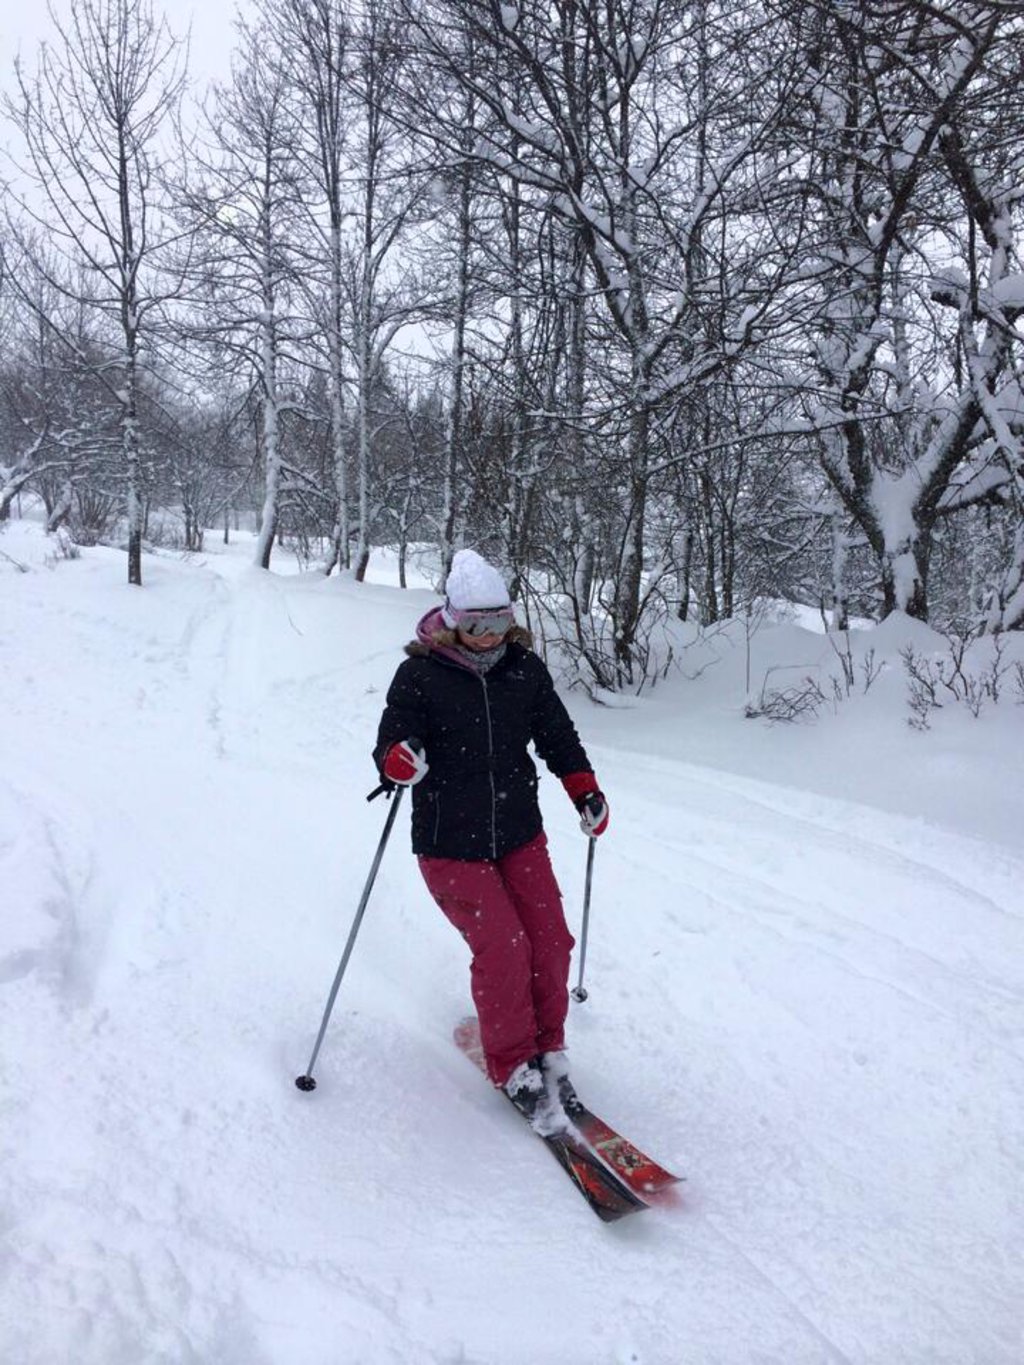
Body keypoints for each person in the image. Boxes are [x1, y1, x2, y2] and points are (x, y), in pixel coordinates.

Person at [373, 549, 609, 1130]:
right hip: (449, 842)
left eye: (499, 622)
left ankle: (548, 1049)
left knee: (550, 940)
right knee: (505, 948)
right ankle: (513, 1065)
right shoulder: (420, 675)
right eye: (476, 624)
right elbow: (393, 739)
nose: (488, 637)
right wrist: (398, 760)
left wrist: (584, 790)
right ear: (452, 618)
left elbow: (558, 735)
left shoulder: (524, 671)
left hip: (518, 833)